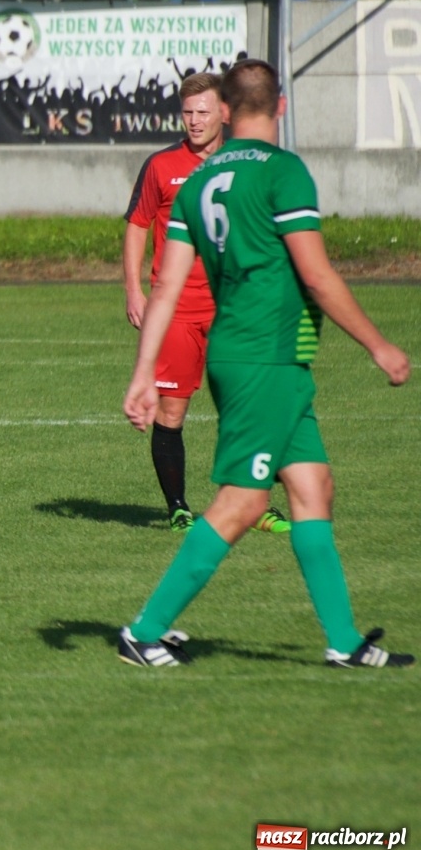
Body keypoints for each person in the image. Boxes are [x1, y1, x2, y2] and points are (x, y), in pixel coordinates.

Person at [119, 58, 412, 670]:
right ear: (281, 106)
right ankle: (143, 631)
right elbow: (316, 273)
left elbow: (166, 287)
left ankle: (343, 641)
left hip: (250, 354)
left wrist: (144, 373)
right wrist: (378, 344)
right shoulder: (283, 172)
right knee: (244, 502)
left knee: (312, 487)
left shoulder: (199, 180)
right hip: (264, 357)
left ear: (225, 109)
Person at [122, 71, 288, 536]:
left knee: (246, 406)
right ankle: (178, 508)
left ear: (224, 114)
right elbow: (136, 225)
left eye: (203, 112)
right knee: (171, 412)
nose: (194, 121)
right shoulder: (160, 166)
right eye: (187, 113)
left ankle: (256, 504)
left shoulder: (244, 164)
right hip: (175, 309)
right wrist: (134, 289)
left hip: (232, 307)